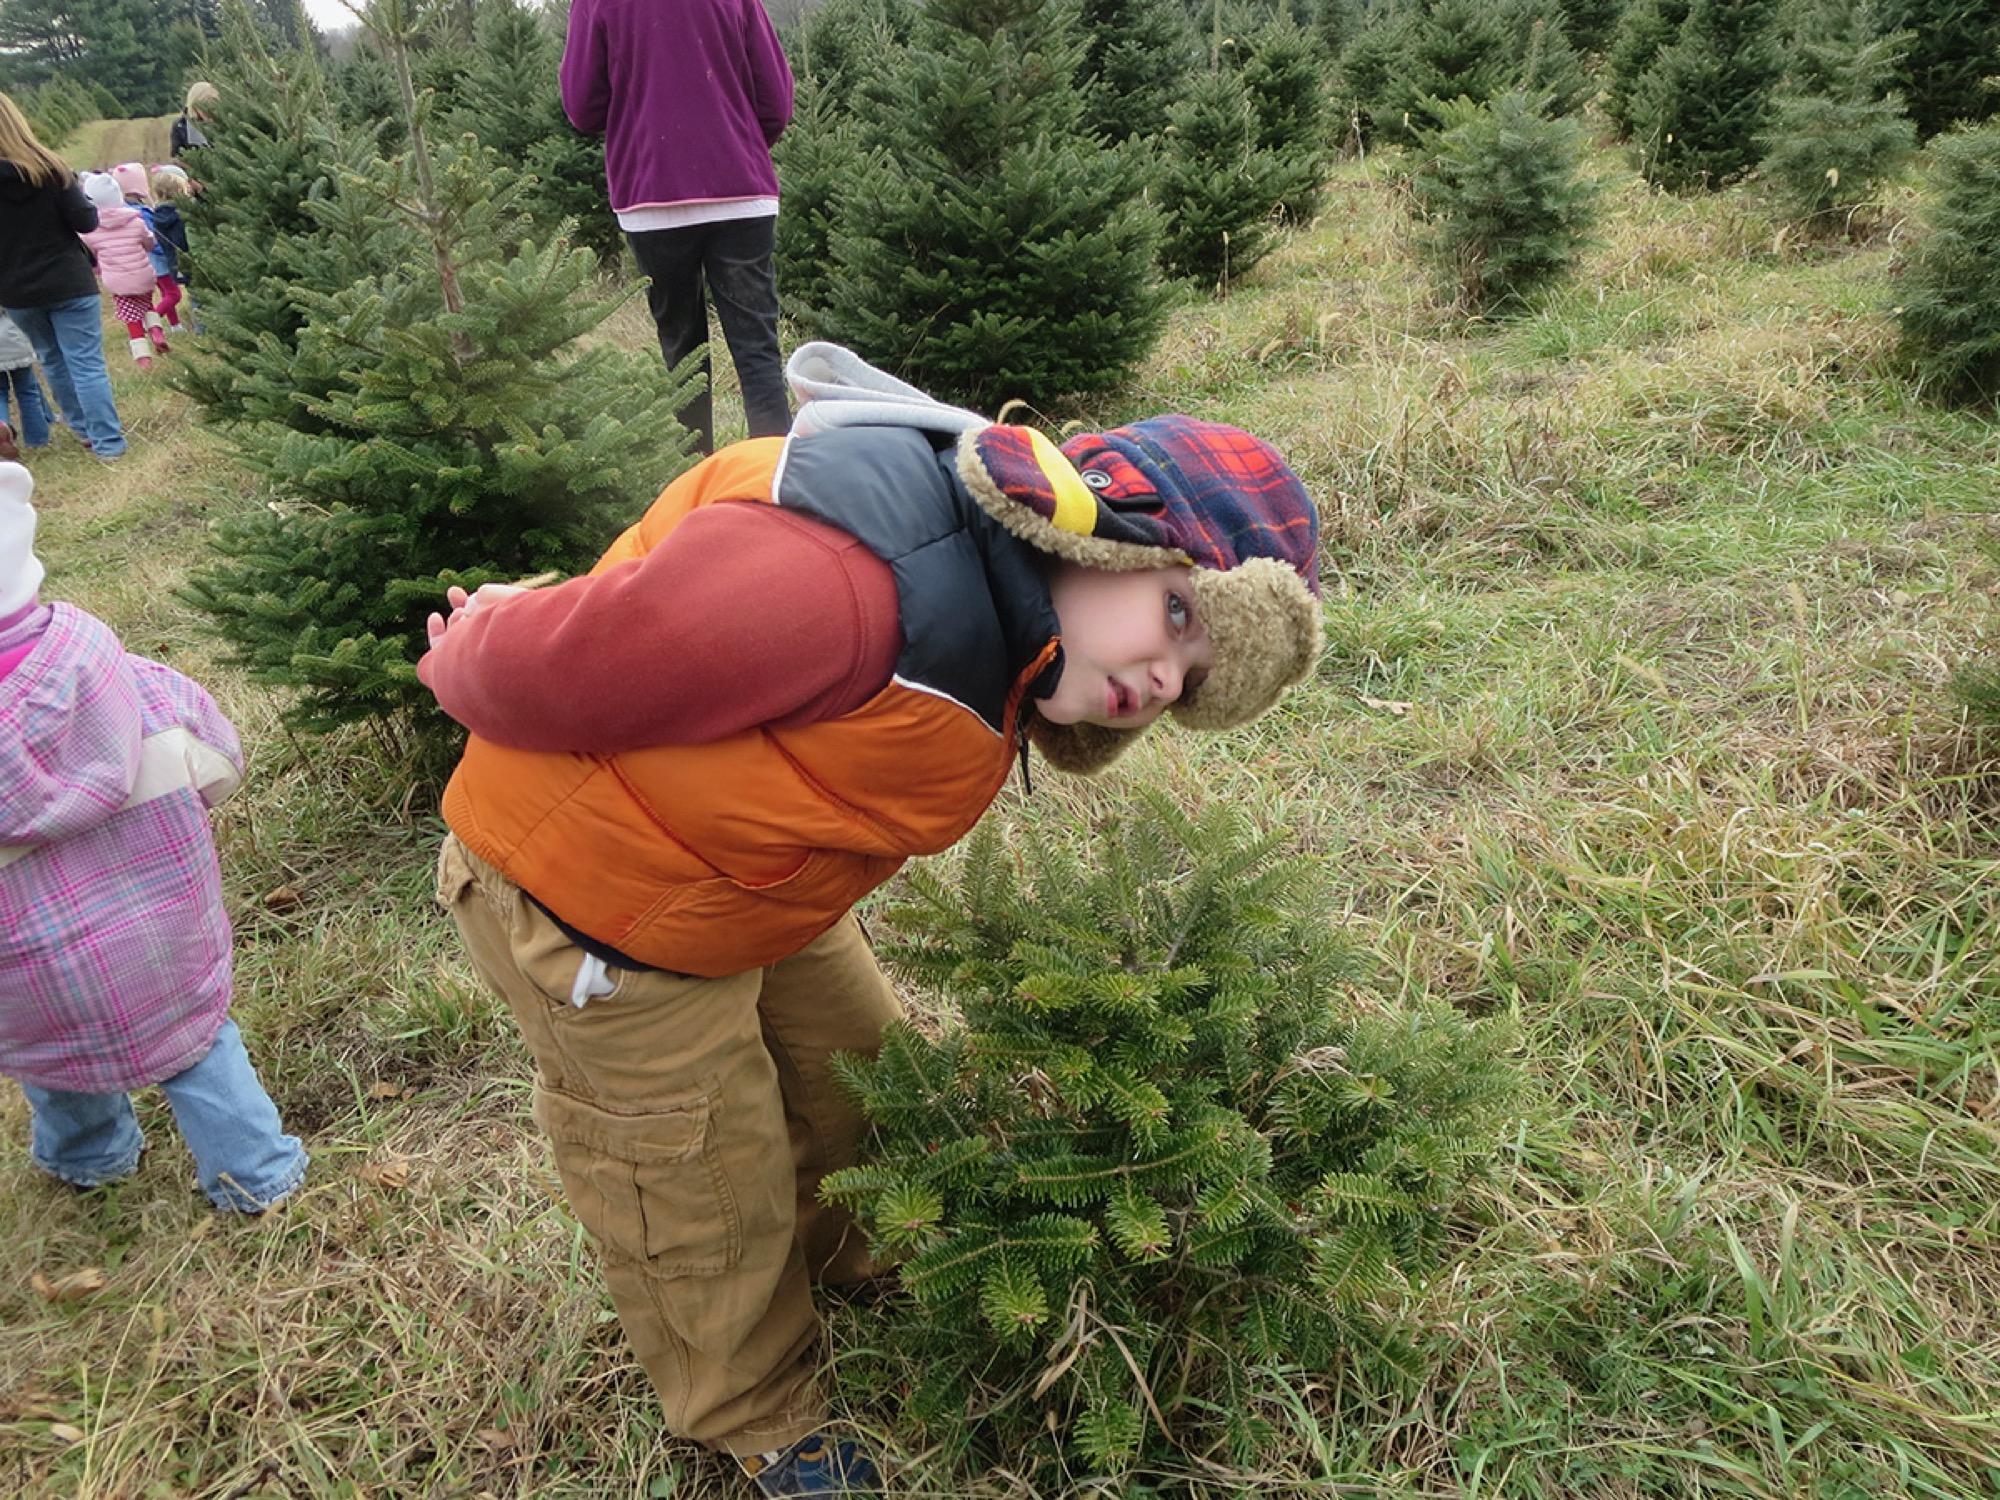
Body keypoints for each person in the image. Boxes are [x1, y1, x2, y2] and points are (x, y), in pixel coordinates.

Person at [418, 343, 1324, 1496]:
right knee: (693, 1173)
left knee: (858, 1070)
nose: (1159, 679)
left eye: (1191, 683)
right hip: (599, 903)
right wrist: (471, 653)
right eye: (1177, 612)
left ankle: (854, 1254)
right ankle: (753, 1408)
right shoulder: (847, 588)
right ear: (1098, 529)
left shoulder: (1005, 616)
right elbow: (578, 661)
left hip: (749, 879)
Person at [0, 461, 308, 1214]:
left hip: (25, 976)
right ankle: (256, 1174)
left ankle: (88, 1157)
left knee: (56, 1061)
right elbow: (219, 762)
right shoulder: (132, 682)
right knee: (198, 1046)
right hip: (162, 935)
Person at [560, 0, 795, 456]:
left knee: (682, 353)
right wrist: (735, 142)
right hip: (740, 192)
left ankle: (693, 482)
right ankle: (772, 482)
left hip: (652, 196)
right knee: (757, 351)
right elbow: (776, 104)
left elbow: (582, 108)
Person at [0, 92, 126, 462]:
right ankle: (108, 442)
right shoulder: (51, 170)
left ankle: (83, 429)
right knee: (85, 362)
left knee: (51, 359)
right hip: (67, 280)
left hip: (17, 290)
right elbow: (86, 222)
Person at [80, 172, 164, 370]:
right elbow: (149, 242)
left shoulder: (91, 231)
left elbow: (89, 255)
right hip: (143, 275)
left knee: (132, 319)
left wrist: (97, 269)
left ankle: (143, 357)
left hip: (118, 282)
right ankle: (157, 331)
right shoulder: (135, 221)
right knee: (147, 305)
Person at [147, 166, 194, 333]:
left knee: (191, 294)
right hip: (190, 261)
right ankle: (202, 330)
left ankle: (188, 326)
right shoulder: (181, 214)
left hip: (174, 263)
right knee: (193, 295)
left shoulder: (157, 214)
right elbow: (182, 242)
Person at [0, 311, 50, 460]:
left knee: (0, 393)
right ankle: (37, 438)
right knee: (28, 391)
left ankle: (3, 430)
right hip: (14, 339)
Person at [170, 81, 217, 161]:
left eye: (213, 105)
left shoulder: (224, 125)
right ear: (194, 106)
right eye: (205, 106)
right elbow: (176, 157)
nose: (209, 111)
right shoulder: (181, 126)